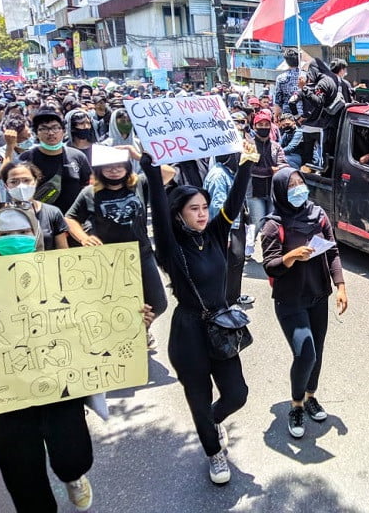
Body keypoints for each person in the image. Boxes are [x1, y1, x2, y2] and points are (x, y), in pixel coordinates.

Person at [0, 206, 151, 512]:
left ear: (35, 234)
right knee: (25, 485)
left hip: (59, 389)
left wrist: (130, 319)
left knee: (74, 458)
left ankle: (73, 476)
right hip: (5, 402)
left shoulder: (63, 278)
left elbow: (95, 322)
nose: (13, 239)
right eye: (4, 234)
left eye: (21, 232)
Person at [140, 140, 255, 485]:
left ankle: (212, 421)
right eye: (194, 208)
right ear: (180, 213)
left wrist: (247, 163)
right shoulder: (171, 248)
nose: (203, 213)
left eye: (205, 206)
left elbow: (232, 205)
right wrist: (151, 172)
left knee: (236, 394)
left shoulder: (216, 234)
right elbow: (159, 215)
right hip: (188, 332)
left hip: (222, 326)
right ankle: (213, 451)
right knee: (198, 398)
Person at [260, 168, 347, 438]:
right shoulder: (273, 225)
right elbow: (270, 266)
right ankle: (296, 405)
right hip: (289, 300)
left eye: (300, 183)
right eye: (291, 186)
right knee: (305, 353)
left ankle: (310, 396)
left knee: (317, 352)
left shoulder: (318, 215)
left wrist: (340, 285)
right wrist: (291, 256)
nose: (298, 188)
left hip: (318, 295)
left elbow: (331, 250)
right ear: (281, 191)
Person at [65, 153, 169, 319]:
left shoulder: (140, 184)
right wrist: (83, 238)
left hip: (141, 253)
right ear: (99, 170)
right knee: (118, 304)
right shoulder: (89, 193)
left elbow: (169, 172)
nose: (114, 170)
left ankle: (143, 327)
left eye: (119, 165)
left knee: (158, 304)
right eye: (108, 167)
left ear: (127, 167)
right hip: (109, 259)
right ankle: (134, 335)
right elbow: (70, 218)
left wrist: (136, 155)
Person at [203, 151, 256, 307]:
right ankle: (225, 302)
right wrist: (223, 234)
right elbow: (217, 206)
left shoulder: (229, 172)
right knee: (228, 265)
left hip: (236, 224)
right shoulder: (219, 175)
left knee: (236, 263)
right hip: (228, 227)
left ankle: (234, 297)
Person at [18, 110, 91, 215]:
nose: (51, 133)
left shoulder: (77, 156)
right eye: (44, 129)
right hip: (41, 219)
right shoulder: (26, 158)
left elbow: (87, 186)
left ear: (64, 131)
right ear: (36, 133)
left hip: (73, 219)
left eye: (55, 128)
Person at [0, 161, 69, 250]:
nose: (21, 186)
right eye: (14, 182)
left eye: (26, 180)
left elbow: (62, 249)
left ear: (35, 181)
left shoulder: (52, 213)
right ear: (6, 186)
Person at [248, 111, 287, 241]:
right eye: (260, 124)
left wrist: (279, 168)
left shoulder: (276, 147)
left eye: (266, 124)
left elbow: (283, 164)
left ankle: (269, 249)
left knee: (272, 222)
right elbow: (249, 168)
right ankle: (249, 246)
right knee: (257, 222)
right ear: (254, 127)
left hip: (272, 191)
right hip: (254, 192)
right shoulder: (250, 146)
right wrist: (270, 170)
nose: (263, 127)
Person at [274, 48, 302, 118]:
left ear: (286, 61)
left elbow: (278, 99)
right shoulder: (306, 76)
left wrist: (276, 114)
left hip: (287, 115)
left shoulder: (281, 78)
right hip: (304, 114)